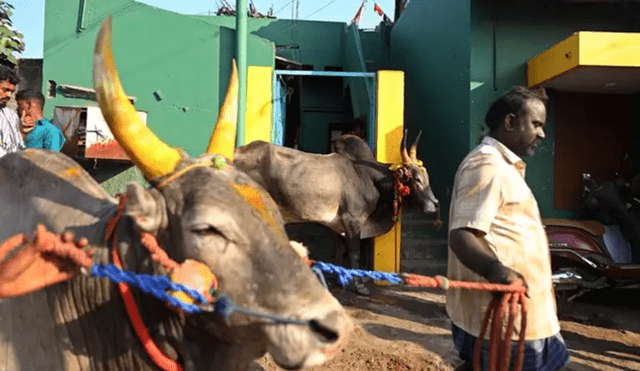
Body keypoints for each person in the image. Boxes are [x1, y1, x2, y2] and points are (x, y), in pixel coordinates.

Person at [447, 86, 570, 371]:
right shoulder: (486, 165)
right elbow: (462, 235)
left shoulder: (503, 167)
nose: (542, 134)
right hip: (505, 320)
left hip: (525, 315)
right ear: (510, 122)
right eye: (536, 124)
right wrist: (496, 270)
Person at [0, 64, 23, 157]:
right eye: (5, 90)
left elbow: (18, 146)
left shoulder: (11, 116)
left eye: (11, 92)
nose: (8, 95)